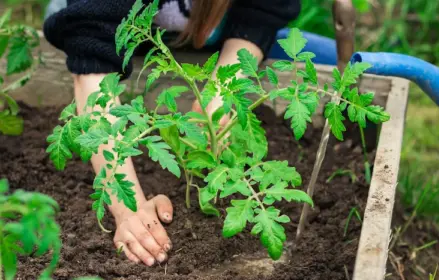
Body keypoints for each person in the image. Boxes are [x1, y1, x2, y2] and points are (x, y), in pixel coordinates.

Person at [44, 0, 300, 267]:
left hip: (212, 31)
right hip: (114, 30)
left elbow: (261, 11)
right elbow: (92, 66)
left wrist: (222, 87)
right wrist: (128, 207)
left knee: (325, 55)